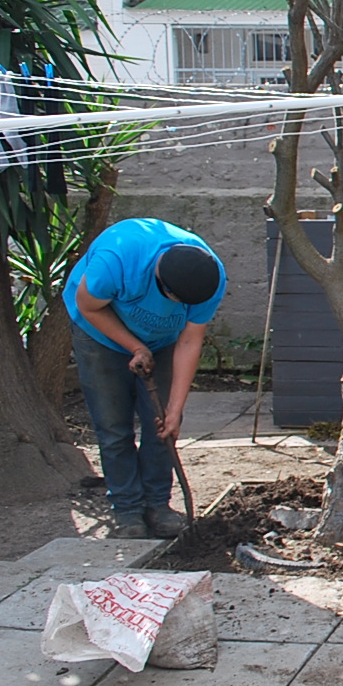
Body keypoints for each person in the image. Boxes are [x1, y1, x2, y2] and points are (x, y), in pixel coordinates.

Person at [66, 218, 227, 539]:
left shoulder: (208, 275)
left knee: (161, 425)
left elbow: (189, 340)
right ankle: (127, 510)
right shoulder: (116, 262)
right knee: (113, 426)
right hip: (100, 333)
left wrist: (174, 409)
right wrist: (135, 347)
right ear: (160, 283)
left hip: (164, 342)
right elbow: (90, 307)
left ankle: (158, 505)